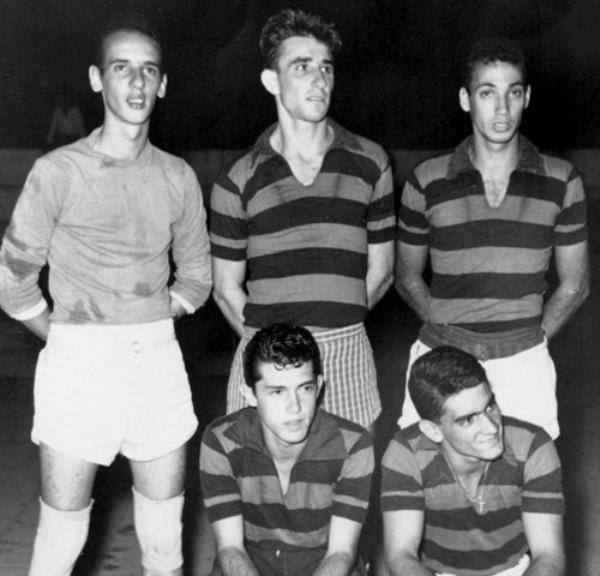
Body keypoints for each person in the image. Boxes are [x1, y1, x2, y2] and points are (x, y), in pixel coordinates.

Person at [0, 14, 212, 576]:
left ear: (163, 84)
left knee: (165, 545)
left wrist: (152, 316)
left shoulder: (177, 177)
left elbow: (197, 275)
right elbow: (11, 279)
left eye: (149, 71)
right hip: (77, 366)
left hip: (157, 364)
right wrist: (65, 334)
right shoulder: (58, 171)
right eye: (123, 69)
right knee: (59, 543)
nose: (137, 83)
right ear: (98, 79)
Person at [210, 8, 395, 431]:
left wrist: (336, 328)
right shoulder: (238, 179)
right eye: (302, 67)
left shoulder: (371, 162)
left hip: (346, 355)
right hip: (267, 361)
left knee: (346, 492)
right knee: (265, 493)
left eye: (326, 67)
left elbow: (382, 272)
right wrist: (279, 358)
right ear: (271, 81)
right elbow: (225, 289)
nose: (319, 80)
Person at [395, 37, 589, 438]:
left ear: (527, 97)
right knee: (428, 488)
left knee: (528, 491)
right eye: (488, 93)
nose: (502, 109)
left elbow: (575, 285)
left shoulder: (561, 179)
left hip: (524, 365)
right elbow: (406, 275)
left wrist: (529, 341)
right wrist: (448, 330)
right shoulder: (427, 180)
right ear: (466, 99)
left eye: (513, 93)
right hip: (441, 358)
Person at [200, 323, 374, 576]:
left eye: (305, 388)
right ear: (250, 395)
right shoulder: (222, 441)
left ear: (319, 386)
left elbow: (341, 553)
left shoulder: (353, 445)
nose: (295, 407)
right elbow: (230, 549)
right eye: (277, 392)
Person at [381, 346, 565, 576]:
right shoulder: (405, 454)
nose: (491, 427)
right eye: (468, 420)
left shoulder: (533, 447)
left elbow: (548, 555)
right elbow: (400, 555)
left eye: (490, 406)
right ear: (433, 430)